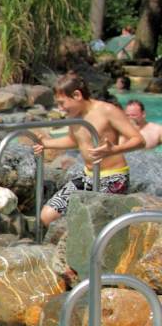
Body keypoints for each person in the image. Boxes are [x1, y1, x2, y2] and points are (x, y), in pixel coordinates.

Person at [32, 74, 145, 224]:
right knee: (47, 215)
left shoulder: (107, 110)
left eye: (62, 103)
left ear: (77, 95)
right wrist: (46, 144)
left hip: (113, 178)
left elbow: (139, 140)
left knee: (87, 222)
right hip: (88, 176)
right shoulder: (74, 116)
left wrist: (115, 149)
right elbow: (74, 140)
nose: (60, 109)